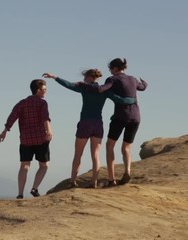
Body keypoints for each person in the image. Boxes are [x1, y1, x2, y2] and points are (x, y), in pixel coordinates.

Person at [42, 69, 136, 188]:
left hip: (85, 123)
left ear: (90, 77)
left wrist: (55, 77)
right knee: (96, 155)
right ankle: (94, 183)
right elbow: (119, 99)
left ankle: (72, 182)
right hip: (98, 124)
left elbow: (69, 85)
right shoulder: (104, 90)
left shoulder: (85, 88)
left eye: (85, 77)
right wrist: (132, 100)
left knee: (78, 155)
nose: (84, 80)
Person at [80, 58, 148, 186]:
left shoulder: (113, 79)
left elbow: (102, 89)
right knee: (126, 147)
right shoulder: (133, 79)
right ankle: (127, 170)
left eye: (111, 69)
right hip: (136, 117)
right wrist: (145, 82)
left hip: (120, 116)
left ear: (115, 68)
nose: (110, 72)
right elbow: (143, 87)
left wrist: (92, 86)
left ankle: (112, 179)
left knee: (110, 145)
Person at [0, 79, 52, 199]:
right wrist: (49, 131)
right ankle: (34, 188)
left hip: (26, 139)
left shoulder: (22, 103)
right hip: (40, 139)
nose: (46, 91)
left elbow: (12, 116)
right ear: (38, 90)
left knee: (24, 166)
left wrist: (5, 131)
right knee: (44, 166)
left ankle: (20, 194)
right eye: (44, 89)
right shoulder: (42, 103)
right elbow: (45, 118)